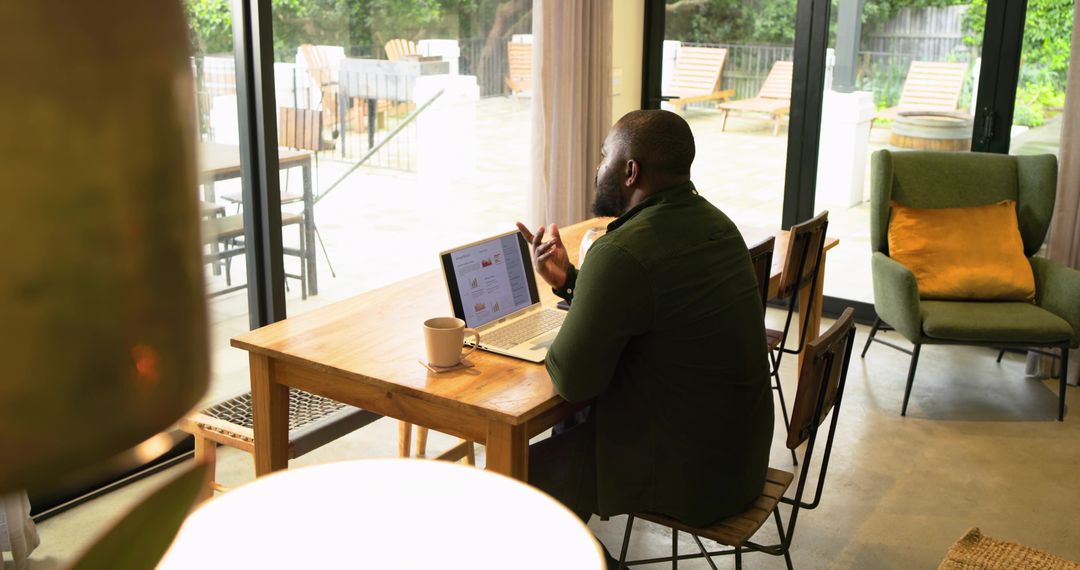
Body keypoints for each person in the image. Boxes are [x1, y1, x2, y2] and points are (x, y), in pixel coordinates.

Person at [516, 110, 774, 561]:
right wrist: (571, 281)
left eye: (604, 157)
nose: (599, 169)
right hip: (740, 457)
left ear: (630, 171)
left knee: (510, 482)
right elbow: (657, 302)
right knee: (573, 427)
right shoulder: (718, 226)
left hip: (689, 476)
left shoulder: (620, 251)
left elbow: (571, 380)